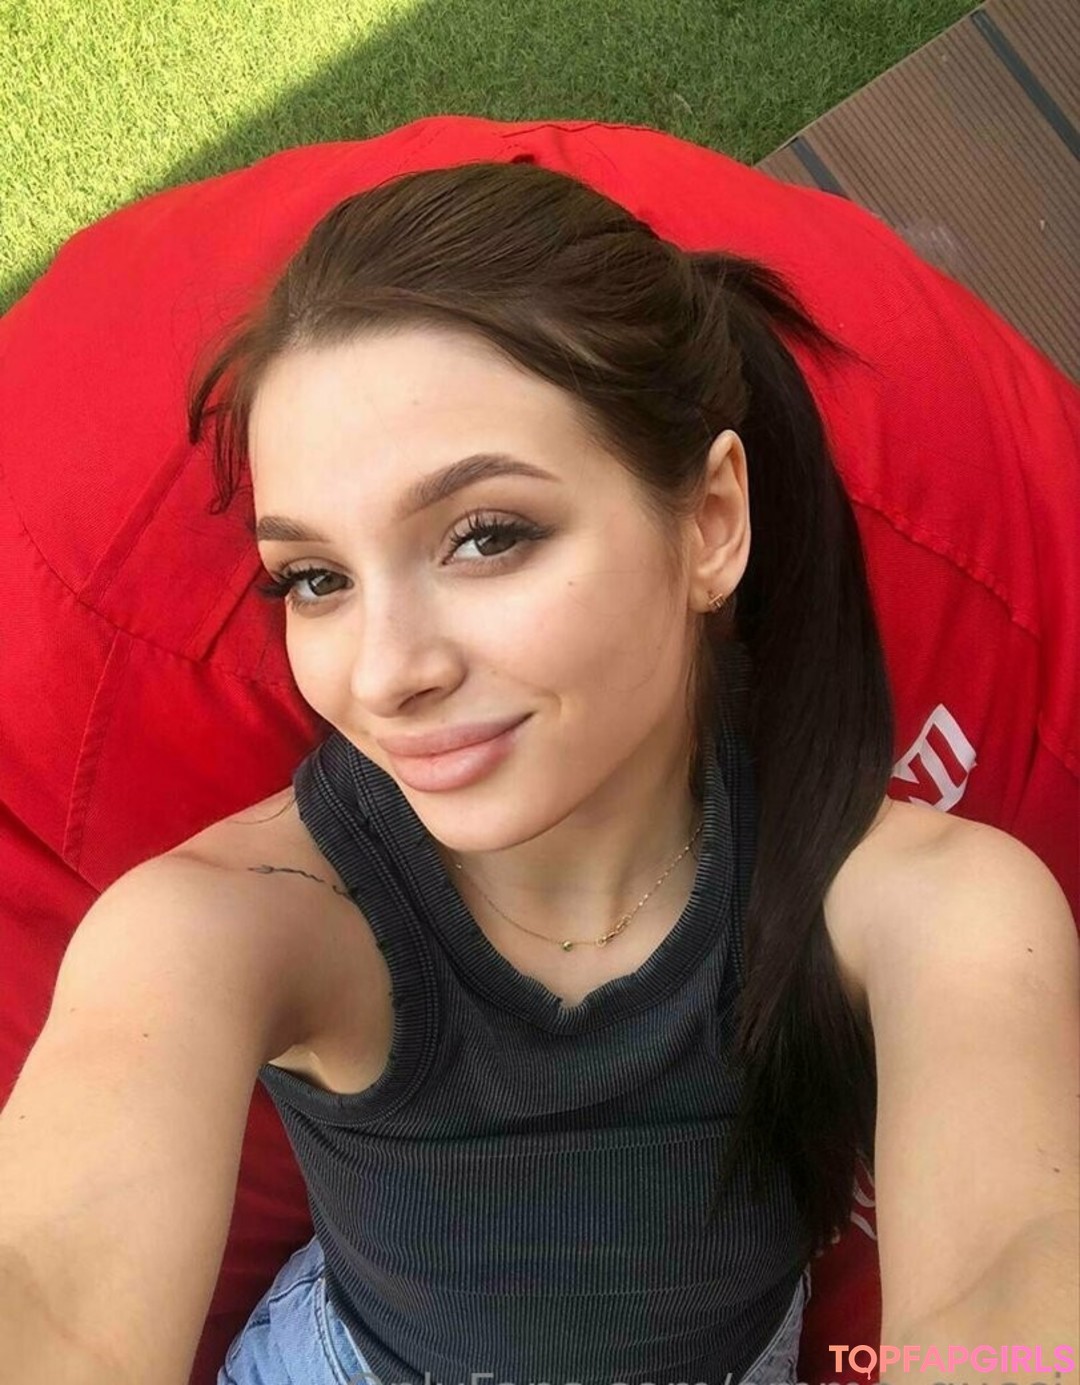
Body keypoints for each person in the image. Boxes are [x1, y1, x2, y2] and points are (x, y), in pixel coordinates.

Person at [1, 160, 1076, 1385]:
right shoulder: (227, 920)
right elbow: (50, 1274)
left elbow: (1010, 1273)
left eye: (486, 535)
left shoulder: (934, 904)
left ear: (711, 520)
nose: (386, 672)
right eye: (316, 578)